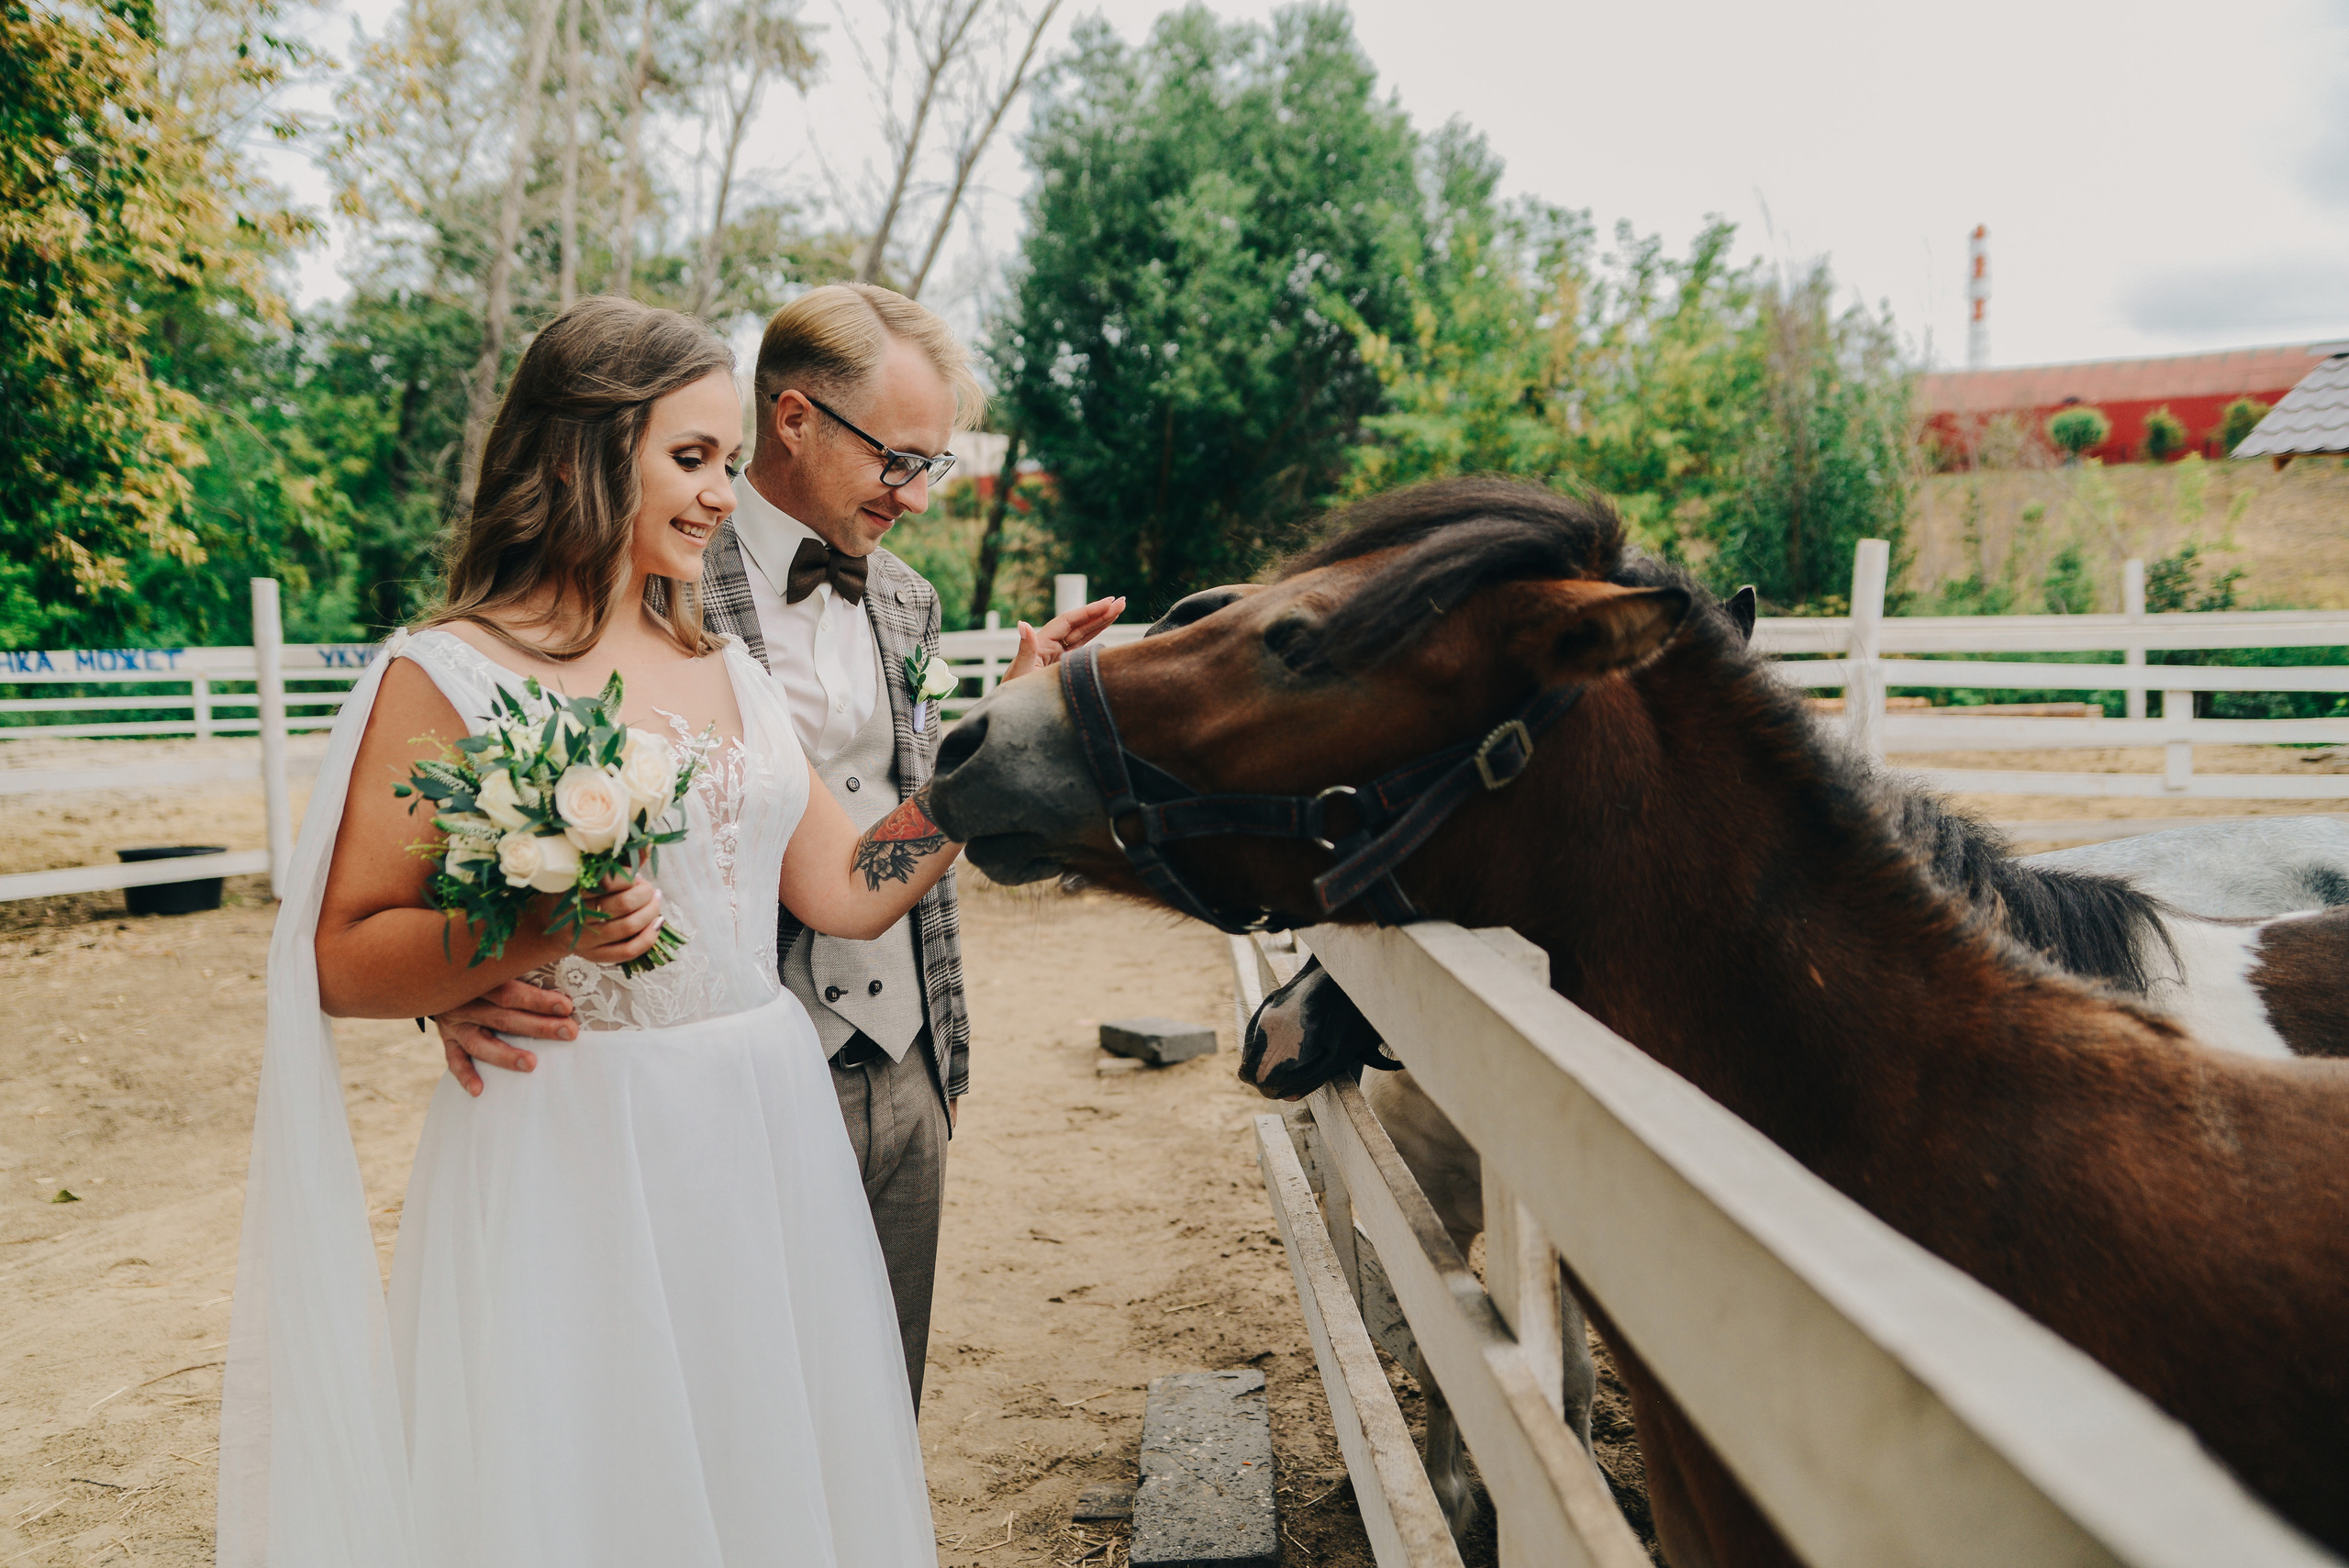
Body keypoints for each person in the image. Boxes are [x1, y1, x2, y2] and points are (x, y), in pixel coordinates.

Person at [219, 296, 961, 1567]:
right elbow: (342, 954)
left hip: (761, 1124)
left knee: (761, 1461)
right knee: (598, 1485)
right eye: (692, 458)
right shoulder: (451, 671)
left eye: (728, 461)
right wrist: (539, 924)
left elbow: (843, 884)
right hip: (572, 1146)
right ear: (582, 454)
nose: (724, 493)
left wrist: (1000, 772)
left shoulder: (724, 662)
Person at [428, 284, 1121, 1411]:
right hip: (716, 1079)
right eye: (898, 459)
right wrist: (463, 970)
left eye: (930, 467)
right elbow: (492, 771)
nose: (913, 494)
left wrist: (1003, 735)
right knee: (722, 1403)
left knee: (869, 1409)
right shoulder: (647, 580)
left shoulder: (909, 599)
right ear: (794, 420)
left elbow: (859, 860)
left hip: (909, 1047)